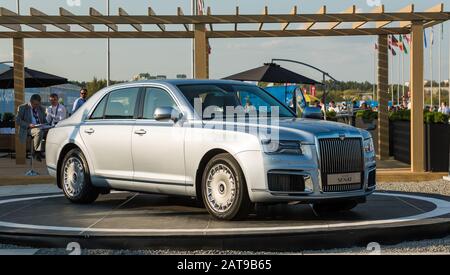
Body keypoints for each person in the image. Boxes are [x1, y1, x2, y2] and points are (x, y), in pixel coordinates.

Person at [16, 94, 47, 162]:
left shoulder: (41, 108)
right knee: (39, 131)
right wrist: (29, 125)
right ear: (30, 101)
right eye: (34, 104)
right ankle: (36, 152)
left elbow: (45, 121)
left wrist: (47, 125)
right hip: (28, 128)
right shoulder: (22, 107)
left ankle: (44, 151)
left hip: (40, 127)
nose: (35, 106)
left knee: (52, 132)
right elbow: (18, 121)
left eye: (37, 104)